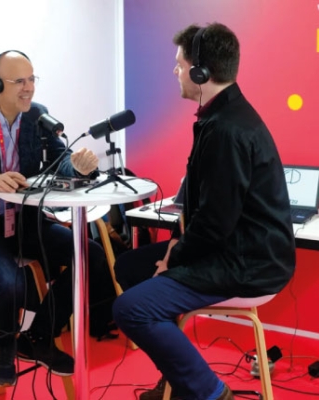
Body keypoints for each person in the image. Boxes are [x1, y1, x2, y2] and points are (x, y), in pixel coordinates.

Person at [113, 23, 295, 400]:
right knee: (128, 267)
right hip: (233, 248)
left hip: (248, 262)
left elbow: (214, 223)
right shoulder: (220, 116)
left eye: (180, 64)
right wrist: (175, 245)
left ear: (200, 73)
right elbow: (201, 207)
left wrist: (174, 258)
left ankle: (209, 392)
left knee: (129, 309)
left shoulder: (227, 130)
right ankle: (178, 379)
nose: (175, 71)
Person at [0, 50, 109, 387]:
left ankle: (38, 336)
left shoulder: (37, 115)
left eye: (31, 79)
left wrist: (78, 167)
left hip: (21, 220)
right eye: (19, 82)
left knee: (90, 255)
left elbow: (60, 162)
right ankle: (4, 350)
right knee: (10, 282)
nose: (29, 88)